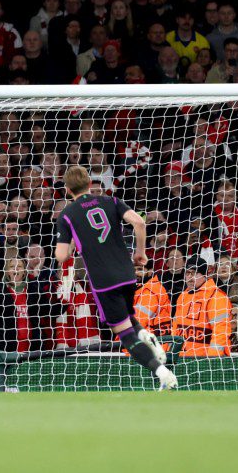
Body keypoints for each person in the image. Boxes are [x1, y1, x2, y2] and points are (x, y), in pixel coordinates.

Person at [54, 166, 177, 390]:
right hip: (127, 274)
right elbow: (139, 223)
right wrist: (141, 253)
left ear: (67, 190)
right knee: (129, 317)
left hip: (103, 281)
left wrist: (73, 243)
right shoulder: (111, 201)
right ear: (90, 183)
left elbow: (62, 256)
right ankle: (147, 335)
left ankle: (162, 373)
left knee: (125, 336)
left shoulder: (67, 215)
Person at [172, 257, 232, 357]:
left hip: (204, 362)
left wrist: (212, 360)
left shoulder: (216, 297)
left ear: (204, 275)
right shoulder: (183, 296)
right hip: (181, 358)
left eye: (195, 273)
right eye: (187, 273)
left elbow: (220, 333)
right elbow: (175, 328)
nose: (190, 277)